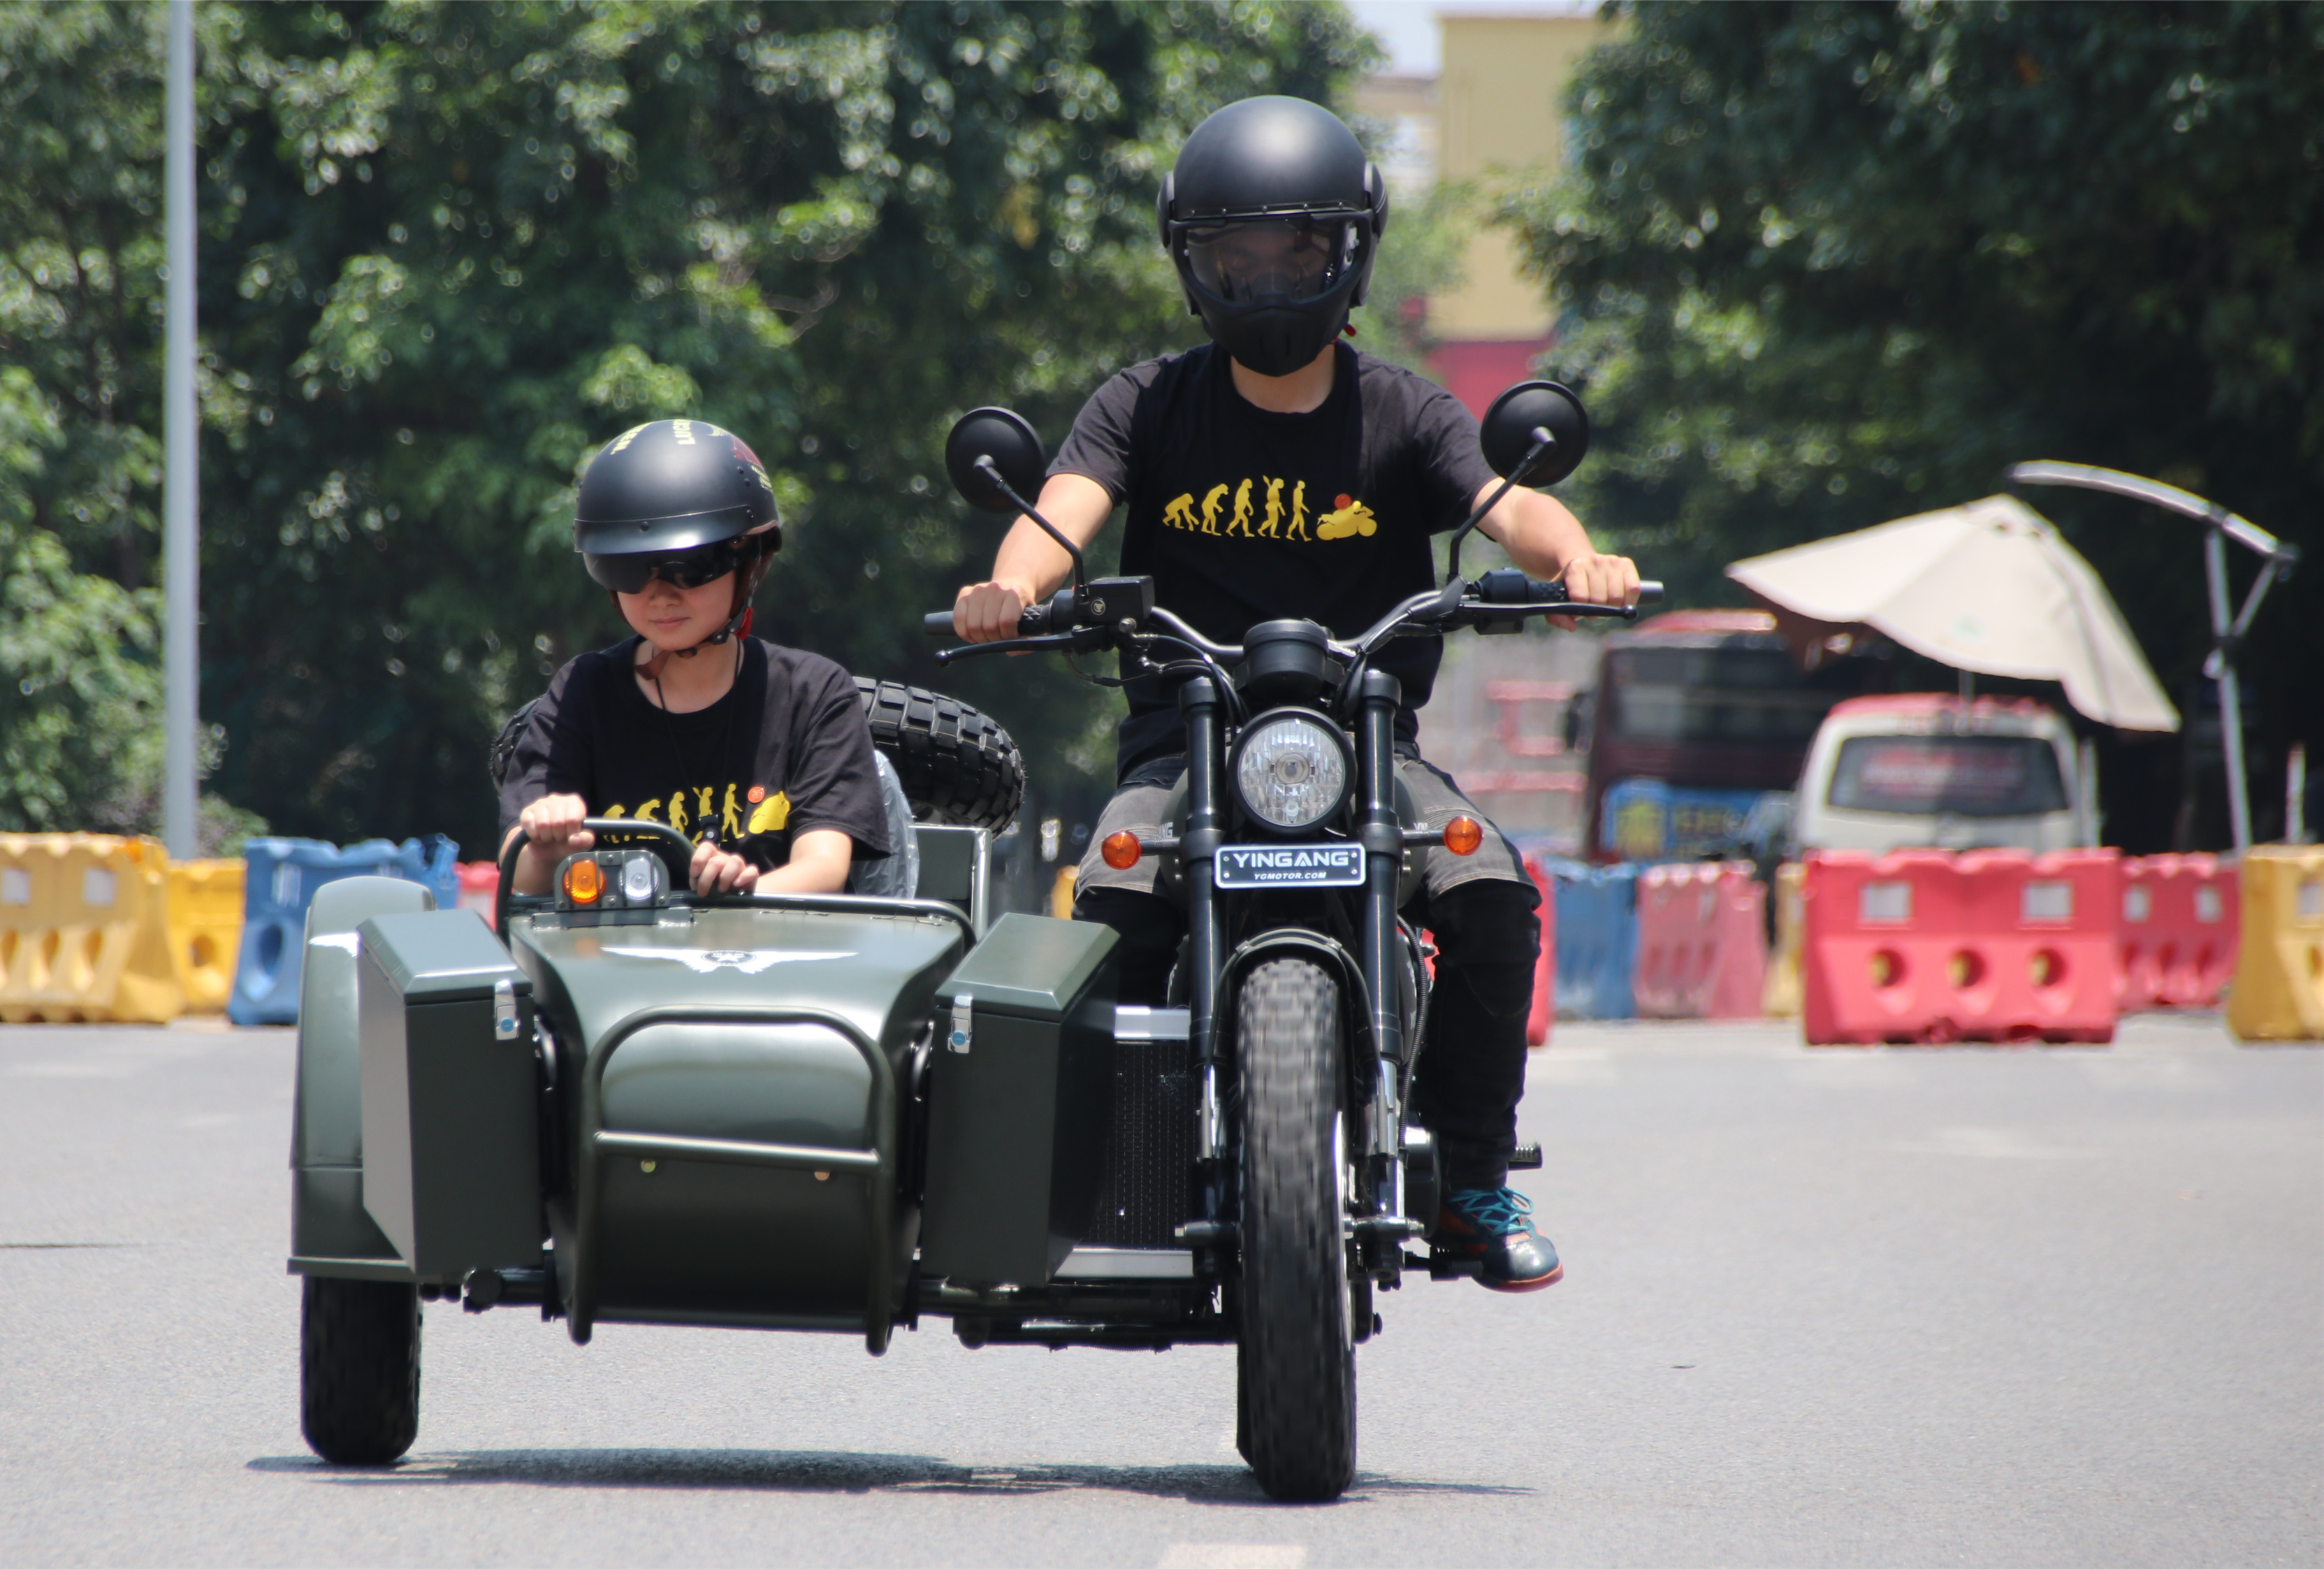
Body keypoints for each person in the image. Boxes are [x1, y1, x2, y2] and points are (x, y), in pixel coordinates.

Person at [949, 96, 1643, 1292]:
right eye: (1239, 255)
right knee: (1114, 887)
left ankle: (1471, 1178)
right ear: (1194, 263)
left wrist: (1575, 555)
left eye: (1297, 251)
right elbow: (1065, 509)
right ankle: (1105, 1168)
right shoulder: (1146, 403)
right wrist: (1010, 584)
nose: (1269, 280)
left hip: (1370, 743)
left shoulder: (1405, 410)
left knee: (1489, 891)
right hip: (1188, 743)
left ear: (1349, 254)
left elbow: (1504, 505)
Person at [500, 419, 892, 897]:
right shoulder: (583, 690)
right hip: (619, 963)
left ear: (749, 563)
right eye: (628, 569)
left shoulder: (814, 692)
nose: (660, 595)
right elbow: (518, 874)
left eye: (690, 567)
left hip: (780, 956)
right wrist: (546, 845)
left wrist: (743, 894)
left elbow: (824, 866)